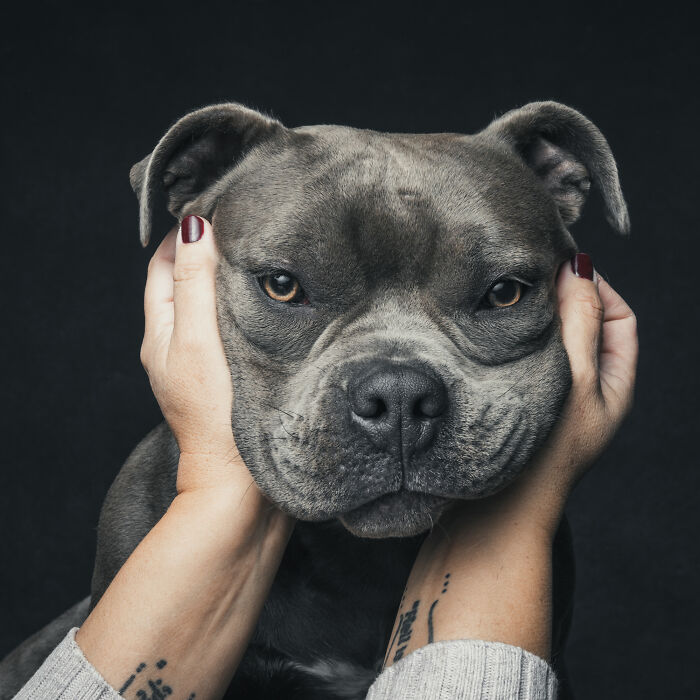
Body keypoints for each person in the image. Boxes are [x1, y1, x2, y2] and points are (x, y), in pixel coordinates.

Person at [16, 215, 637, 699]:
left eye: (501, 293)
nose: (396, 395)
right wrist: (221, 480)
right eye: (284, 287)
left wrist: (523, 500)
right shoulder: (140, 515)